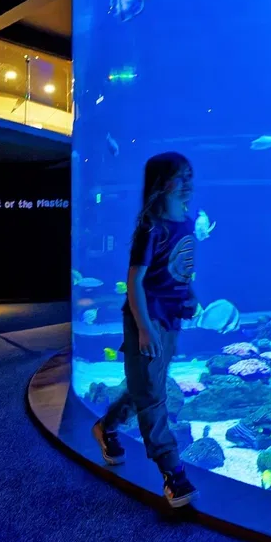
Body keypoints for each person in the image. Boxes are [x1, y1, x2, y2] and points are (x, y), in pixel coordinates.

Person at [92, 152, 198, 507]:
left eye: (190, 175)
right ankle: (173, 472)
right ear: (161, 183)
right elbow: (135, 282)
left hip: (170, 319)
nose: (188, 182)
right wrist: (144, 328)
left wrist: (190, 294)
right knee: (152, 395)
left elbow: (181, 268)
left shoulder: (186, 222)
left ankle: (106, 426)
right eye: (180, 176)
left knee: (147, 387)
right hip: (147, 318)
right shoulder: (151, 227)